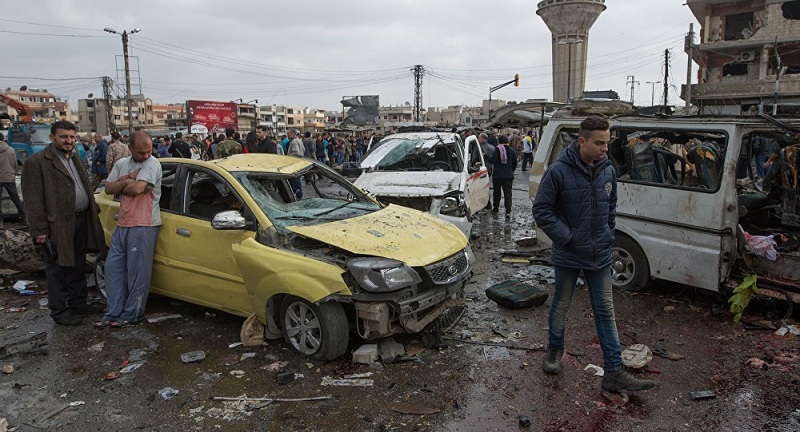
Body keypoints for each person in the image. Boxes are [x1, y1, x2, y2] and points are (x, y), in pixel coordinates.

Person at [532, 115, 655, 393]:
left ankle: (613, 371)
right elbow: (542, 210)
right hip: (569, 253)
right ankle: (554, 349)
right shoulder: (558, 172)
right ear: (582, 141)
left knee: (606, 312)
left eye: (606, 142)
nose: (604, 148)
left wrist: (607, 234)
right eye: (599, 143)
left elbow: (611, 207)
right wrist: (569, 238)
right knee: (561, 304)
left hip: (600, 254)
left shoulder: (608, 170)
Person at [20, 121, 105, 326]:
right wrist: (39, 230)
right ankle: (59, 311)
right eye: (64, 137)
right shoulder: (37, 162)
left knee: (77, 265)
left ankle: (78, 304)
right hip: (56, 225)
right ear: (52, 138)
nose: (69, 141)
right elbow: (33, 199)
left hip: (80, 220)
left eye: (72, 137)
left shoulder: (74, 157)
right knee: (57, 269)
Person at [97, 131, 162, 328]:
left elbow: (136, 189)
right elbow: (108, 189)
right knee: (113, 270)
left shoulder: (152, 164)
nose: (146, 155)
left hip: (144, 224)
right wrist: (127, 182)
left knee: (137, 274)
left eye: (149, 151)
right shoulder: (121, 164)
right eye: (141, 152)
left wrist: (122, 185)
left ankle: (131, 314)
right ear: (130, 148)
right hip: (123, 223)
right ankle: (113, 312)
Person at [488, 134, 517, 217]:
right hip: (508, 175)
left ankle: (496, 208)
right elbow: (515, 163)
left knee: (497, 192)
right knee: (508, 193)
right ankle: (508, 211)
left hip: (498, 175)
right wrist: (511, 170)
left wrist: (486, 156)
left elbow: (493, 160)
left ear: (499, 142)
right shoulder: (512, 150)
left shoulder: (498, 149)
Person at [0, 132, 25, 220]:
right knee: (15, 198)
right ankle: (24, 216)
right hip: (9, 177)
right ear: (3, 139)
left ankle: (0, 221)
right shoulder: (11, 150)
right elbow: (15, 164)